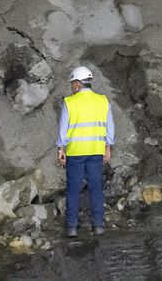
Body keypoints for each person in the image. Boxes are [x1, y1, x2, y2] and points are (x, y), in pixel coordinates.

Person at [56, 66, 115, 237]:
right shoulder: (103, 101)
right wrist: (108, 147)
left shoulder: (69, 102)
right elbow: (109, 127)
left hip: (75, 152)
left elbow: (63, 130)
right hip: (96, 151)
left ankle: (72, 228)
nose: (71, 88)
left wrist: (61, 149)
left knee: (73, 189)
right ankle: (98, 226)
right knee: (96, 188)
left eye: (72, 84)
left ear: (77, 84)